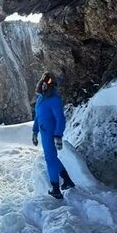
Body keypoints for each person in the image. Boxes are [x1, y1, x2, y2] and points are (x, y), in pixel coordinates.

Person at [32, 71, 75, 199]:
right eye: (43, 83)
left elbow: (60, 118)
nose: (45, 85)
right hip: (44, 133)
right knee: (52, 158)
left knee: (50, 159)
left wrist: (58, 135)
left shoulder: (54, 99)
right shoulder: (40, 99)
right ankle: (67, 180)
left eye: (48, 83)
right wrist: (34, 132)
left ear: (52, 85)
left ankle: (55, 188)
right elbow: (37, 117)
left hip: (51, 133)